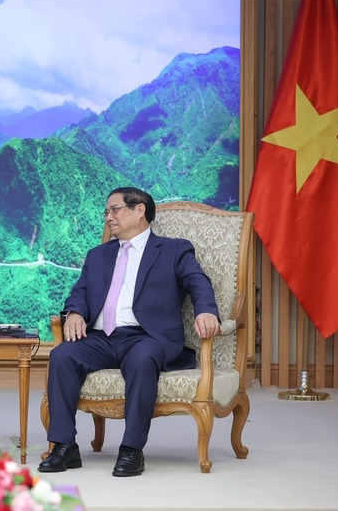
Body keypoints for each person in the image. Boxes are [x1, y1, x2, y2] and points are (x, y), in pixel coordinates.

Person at [39, 187, 220, 477]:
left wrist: (206, 310)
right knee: (62, 355)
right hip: (101, 338)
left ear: (139, 211)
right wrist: (73, 312)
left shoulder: (173, 249)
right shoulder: (97, 255)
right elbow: (80, 293)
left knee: (141, 359)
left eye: (115, 210)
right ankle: (63, 445)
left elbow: (197, 281)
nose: (108, 217)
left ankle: (132, 449)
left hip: (147, 337)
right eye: (106, 212)